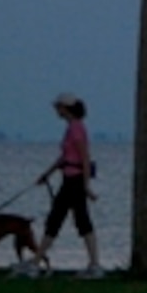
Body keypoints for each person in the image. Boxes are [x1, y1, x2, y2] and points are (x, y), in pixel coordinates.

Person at [37, 95, 99, 274]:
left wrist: (86, 186)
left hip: (75, 181)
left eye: (59, 107)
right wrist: (47, 174)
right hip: (68, 179)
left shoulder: (76, 129)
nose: (57, 110)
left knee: (79, 220)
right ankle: (37, 260)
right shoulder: (71, 128)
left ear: (66, 108)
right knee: (57, 218)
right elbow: (65, 157)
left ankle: (94, 264)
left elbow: (85, 158)